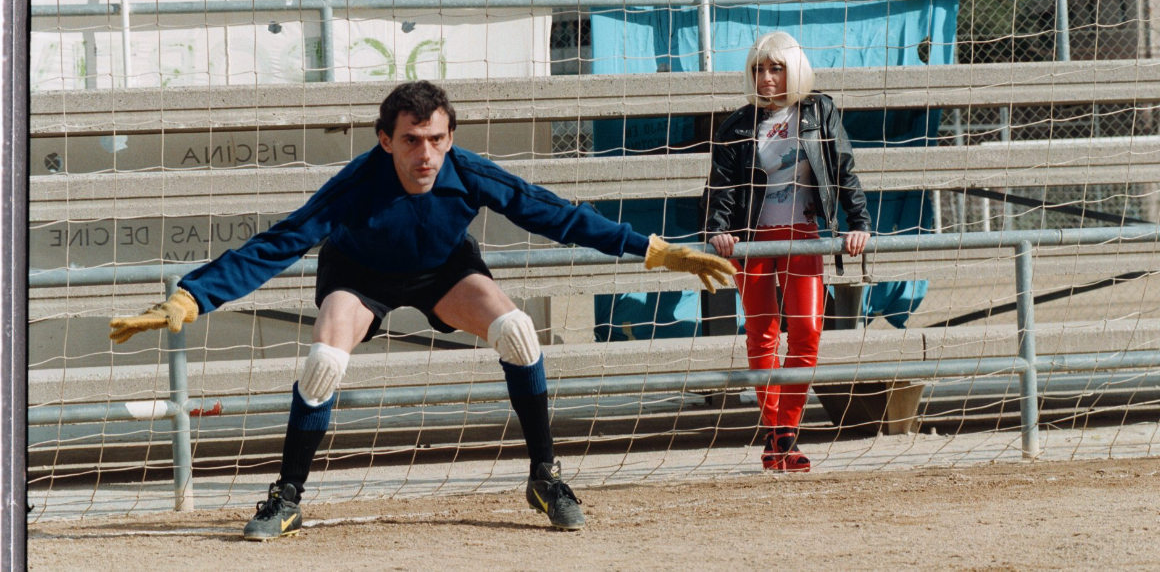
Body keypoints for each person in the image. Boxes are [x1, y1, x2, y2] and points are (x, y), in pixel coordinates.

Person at [109, 81, 735, 539]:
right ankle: (287, 496)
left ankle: (545, 477)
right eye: (411, 141)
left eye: (436, 139)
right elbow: (280, 242)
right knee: (324, 359)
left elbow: (555, 214)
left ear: (450, 137)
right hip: (360, 278)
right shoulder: (357, 184)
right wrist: (194, 294)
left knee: (518, 330)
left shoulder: (469, 173)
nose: (425, 154)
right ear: (386, 140)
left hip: (442, 273)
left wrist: (652, 250)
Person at [704, 31, 871, 473]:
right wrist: (719, 231)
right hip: (752, 238)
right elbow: (721, 187)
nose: (766, 77)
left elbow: (843, 168)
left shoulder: (819, 111)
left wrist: (859, 224)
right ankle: (779, 436)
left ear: (794, 70)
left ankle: (785, 432)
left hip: (803, 234)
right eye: (758, 69)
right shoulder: (736, 125)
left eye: (776, 68)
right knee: (761, 333)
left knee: (807, 332)